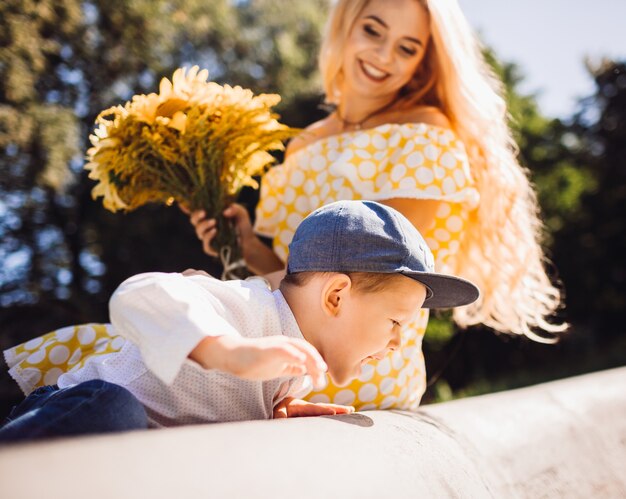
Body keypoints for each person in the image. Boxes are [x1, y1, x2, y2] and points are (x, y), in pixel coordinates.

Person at [4, 0, 564, 412]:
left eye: (408, 47)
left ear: (423, 62)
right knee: (109, 344)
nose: (384, 56)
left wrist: (221, 305)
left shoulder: (426, 133)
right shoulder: (302, 143)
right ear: (345, 26)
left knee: (131, 347)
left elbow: (375, 276)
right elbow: (290, 279)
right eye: (373, 30)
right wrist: (240, 243)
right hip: (287, 331)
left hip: (357, 348)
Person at [1, 201, 479, 443]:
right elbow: (138, 294)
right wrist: (227, 350)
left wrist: (269, 413)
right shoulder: (246, 310)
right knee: (116, 409)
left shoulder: (290, 367)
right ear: (335, 295)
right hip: (73, 414)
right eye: (396, 321)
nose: (399, 342)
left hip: (122, 461)